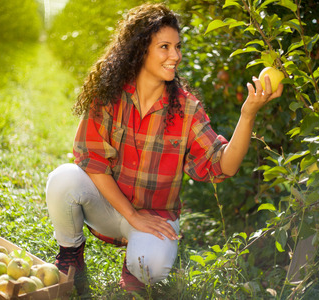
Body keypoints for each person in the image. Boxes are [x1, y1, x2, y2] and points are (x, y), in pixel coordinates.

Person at [45, 2, 283, 294]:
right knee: (63, 179)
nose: (176, 56)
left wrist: (248, 114)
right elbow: (91, 160)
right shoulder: (108, 94)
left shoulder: (185, 109)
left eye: (178, 47)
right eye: (165, 47)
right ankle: (71, 255)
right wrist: (131, 215)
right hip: (110, 207)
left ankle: (135, 269)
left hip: (155, 219)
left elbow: (224, 166)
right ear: (140, 49)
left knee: (150, 266)